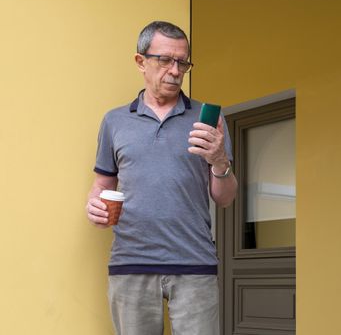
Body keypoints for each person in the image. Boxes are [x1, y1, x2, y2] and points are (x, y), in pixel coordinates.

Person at [85, 21, 237, 335]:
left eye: (183, 62)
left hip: (194, 264)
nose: (175, 70)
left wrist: (220, 159)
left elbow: (225, 198)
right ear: (141, 61)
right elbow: (102, 188)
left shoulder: (209, 121)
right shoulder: (114, 122)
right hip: (131, 263)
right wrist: (94, 208)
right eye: (165, 60)